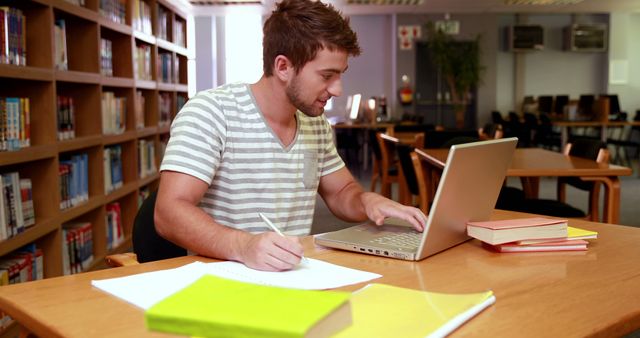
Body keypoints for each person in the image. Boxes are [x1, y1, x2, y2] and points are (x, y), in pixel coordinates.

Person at [154, 0, 426, 272]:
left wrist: (369, 201)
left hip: (291, 276)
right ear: (283, 67)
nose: (338, 90)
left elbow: (342, 191)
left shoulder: (314, 123)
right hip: (223, 280)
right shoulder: (211, 112)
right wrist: (243, 246)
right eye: (327, 76)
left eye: (340, 75)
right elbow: (168, 213)